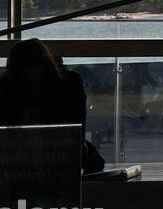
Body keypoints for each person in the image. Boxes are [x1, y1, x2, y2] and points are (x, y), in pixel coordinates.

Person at [0, 39, 97, 171]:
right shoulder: (69, 83)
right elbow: (77, 123)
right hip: (60, 151)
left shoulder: (7, 86)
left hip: (19, 153)